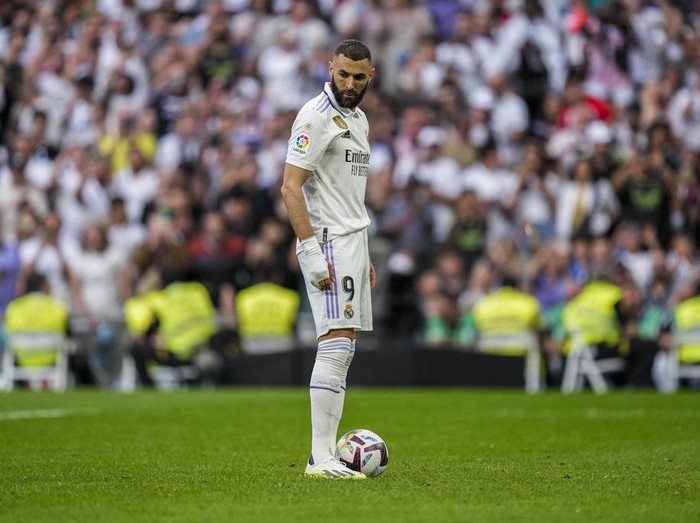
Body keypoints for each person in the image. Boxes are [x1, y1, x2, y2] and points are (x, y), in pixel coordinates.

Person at [280, 39, 375, 480]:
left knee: (345, 345)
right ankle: (320, 458)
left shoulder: (359, 120)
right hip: (329, 242)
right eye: (343, 74)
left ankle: (326, 456)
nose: (349, 83)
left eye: (358, 76)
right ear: (330, 68)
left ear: (369, 76)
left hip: (352, 240)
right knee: (335, 344)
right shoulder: (315, 117)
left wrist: (366, 253)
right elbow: (290, 186)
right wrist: (309, 249)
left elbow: (348, 194)